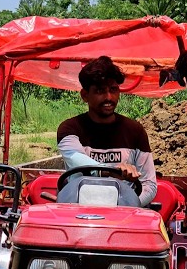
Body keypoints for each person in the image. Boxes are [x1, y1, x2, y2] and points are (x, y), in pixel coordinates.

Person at [56, 56, 158, 207]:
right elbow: (79, 162)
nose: (109, 97)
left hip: (125, 211)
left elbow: (149, 185)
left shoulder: (135, 130)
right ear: (85, 95)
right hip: (78, 210)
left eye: (113, 90)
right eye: (100, 91)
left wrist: (125, 207)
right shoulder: (69, 129)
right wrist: (114, 171)